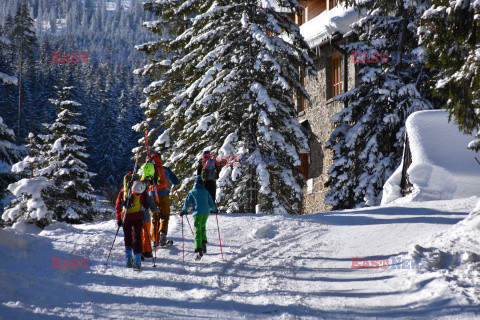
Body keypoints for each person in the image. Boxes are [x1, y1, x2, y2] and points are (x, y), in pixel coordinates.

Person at [115, 173, 158, 269]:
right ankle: (137, 260)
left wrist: (119, 219)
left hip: (125, 217)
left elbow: (118, 205)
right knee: (137, 238)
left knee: (128, 237)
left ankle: (129, 258)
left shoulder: (123, 191)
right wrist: (142, 209)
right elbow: (146, 204)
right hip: (137, 217)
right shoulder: (140, 191)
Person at [141, 154, 179, 247]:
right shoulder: (165, 169)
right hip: (164, 194)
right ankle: (163, 233)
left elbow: (141, 183)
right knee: (165, 216)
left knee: (155, 217)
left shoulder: (148, 171)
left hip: (152, 194)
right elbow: (176, 181)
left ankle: (155, 240)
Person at [181, 175, 217, 259]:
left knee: (197, 230)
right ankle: (203, 244)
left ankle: (199, 248)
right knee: (203, 227)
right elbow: (211, 202)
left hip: (197, 213)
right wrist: (214, 209)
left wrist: (183, 211)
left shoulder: (192, 191)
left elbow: (187, 203)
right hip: (206, 212)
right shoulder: (206, 191)